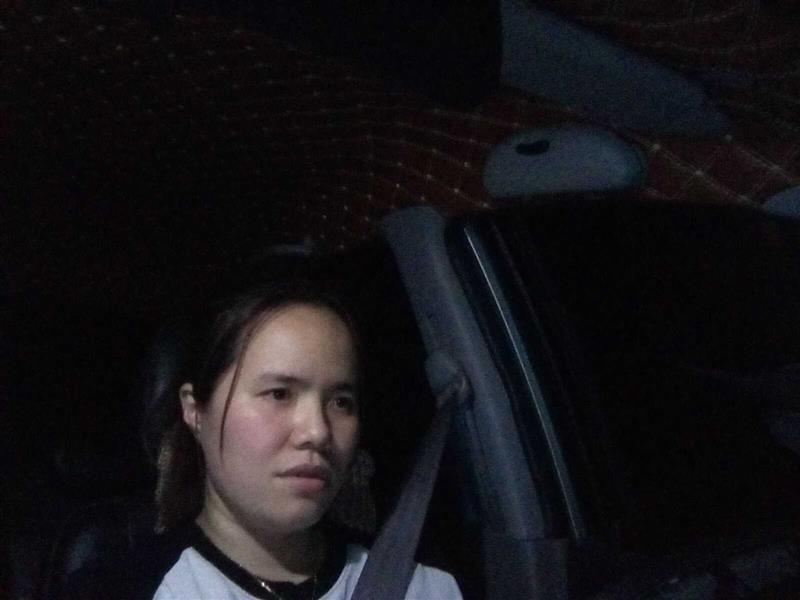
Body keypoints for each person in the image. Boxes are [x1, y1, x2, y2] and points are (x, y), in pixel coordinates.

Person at [148, 277, 463, 599]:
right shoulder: (151, 586)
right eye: (279, 394)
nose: (318, 432)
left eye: (341, 402)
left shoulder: (419, 587)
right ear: (195, 410)